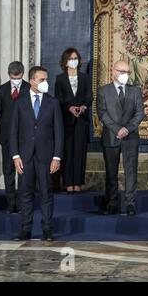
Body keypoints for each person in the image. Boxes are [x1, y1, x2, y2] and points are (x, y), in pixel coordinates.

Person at [10, 66, 64, 241]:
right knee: (25, 194)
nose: (45, 83)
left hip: (46, 157)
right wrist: (15, 156)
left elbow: (59, 132)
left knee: (46, 193)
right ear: (32, 81)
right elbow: (13, 132)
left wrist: (56, 157)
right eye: (42, 80)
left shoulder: (53, 102)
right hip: (25, 157)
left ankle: (47, 230)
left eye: (46, 79)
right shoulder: (19, 102)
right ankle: (26, 229)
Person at [97, 60, 144, 215]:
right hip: (111, 136)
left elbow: (139, 113)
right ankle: (111, 203)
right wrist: (117, 129)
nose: (125, 75)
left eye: (127, 72)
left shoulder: (135, 91)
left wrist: (127, 129)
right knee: (111, 172)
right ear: (113, 71)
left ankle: (130, 203)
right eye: (122, 71)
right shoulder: (103, 91)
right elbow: (102, 113)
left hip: (130, 137)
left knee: (131, 171)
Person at [55, 48, 92, 194]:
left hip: (82, 119)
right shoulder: (60, 78)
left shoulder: (84, 78)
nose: (73, 61)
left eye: (75, 58)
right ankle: (68, 183)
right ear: (65, 61)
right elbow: (58, 98)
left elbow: (89, 96)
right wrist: (69, 107)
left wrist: (83, 107)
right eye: (71, 58)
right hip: (66, 120)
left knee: (80, 152)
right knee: (68, 151)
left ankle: (78, 183)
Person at [0, 61, 30, 214]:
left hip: (25, 139)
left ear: (23, 74)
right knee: (8, 172)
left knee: (23, 173)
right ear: (9, 75)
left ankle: (22, 205)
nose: (16, 79)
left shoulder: (29, 88)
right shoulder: (1, 90)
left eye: (19, 76)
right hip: (7, 138)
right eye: (13, 76)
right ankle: (11, 205)